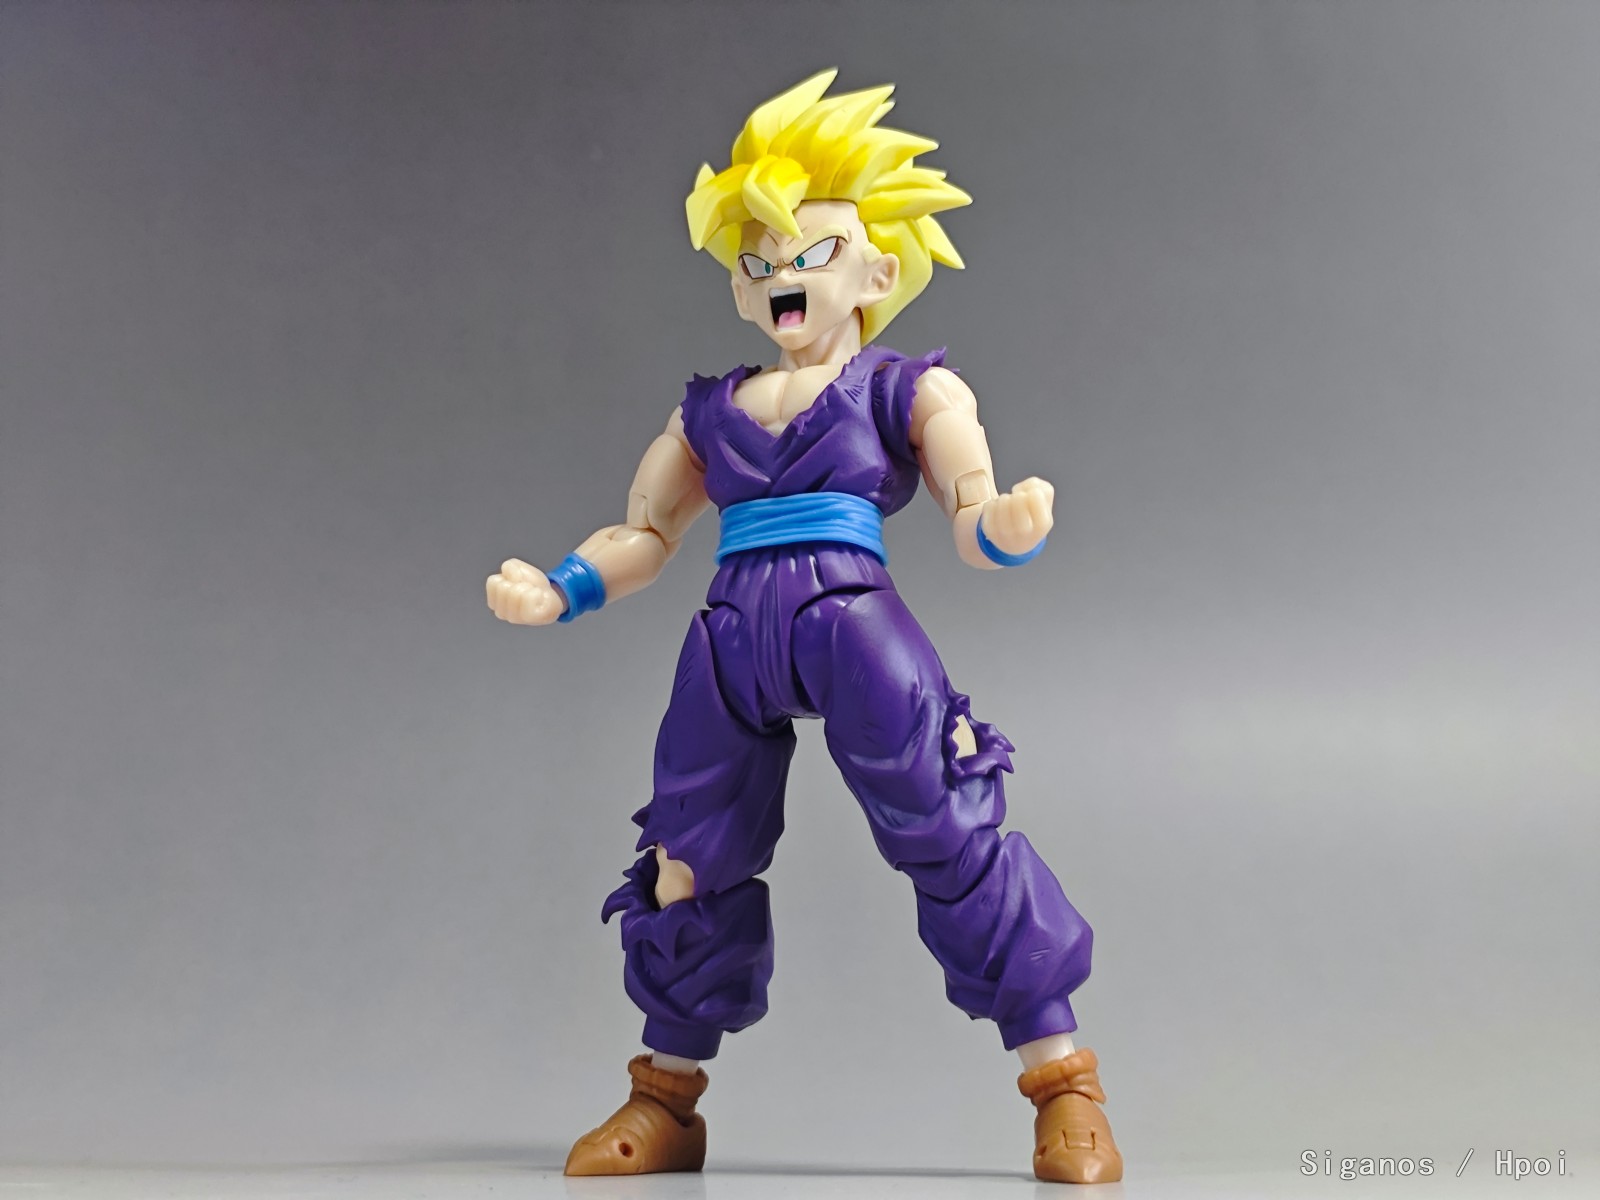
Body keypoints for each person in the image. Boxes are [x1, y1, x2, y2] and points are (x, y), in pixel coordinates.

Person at [486, 70, 1123, 1185]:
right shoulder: (710, 411)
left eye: (812, 250)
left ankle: (1064, 1085)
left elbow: (968, 509)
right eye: (757, 258)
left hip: (855, 626)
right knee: (686, 857)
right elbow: (647, 530)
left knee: (948, 830)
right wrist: (564, 585)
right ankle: (665, 1100)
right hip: (731, 637)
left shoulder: (909, 391)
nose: (781, 274)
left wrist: (1006, 528)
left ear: (878, 272)